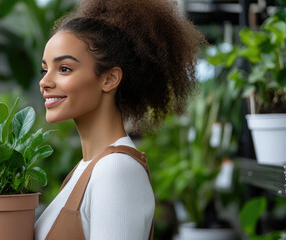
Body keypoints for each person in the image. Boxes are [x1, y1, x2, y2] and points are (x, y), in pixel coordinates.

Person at [35, 0, 205, 239]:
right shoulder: (85, 170)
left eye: (64, 69)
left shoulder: (116, 171)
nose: (44, 82)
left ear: (109, 79)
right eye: (45, 70)